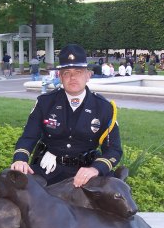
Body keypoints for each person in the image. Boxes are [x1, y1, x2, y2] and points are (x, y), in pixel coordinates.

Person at [11, 43, 122, 187]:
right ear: (60, 77)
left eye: (78, 72)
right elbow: (29, 136)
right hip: (47, 169)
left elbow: (114, 149)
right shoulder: (45, 103)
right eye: (67, 73)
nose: (72, 77)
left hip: (86, 173)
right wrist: (20, 159)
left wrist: (96, 169)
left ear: (88, 75)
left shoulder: (104, 108)